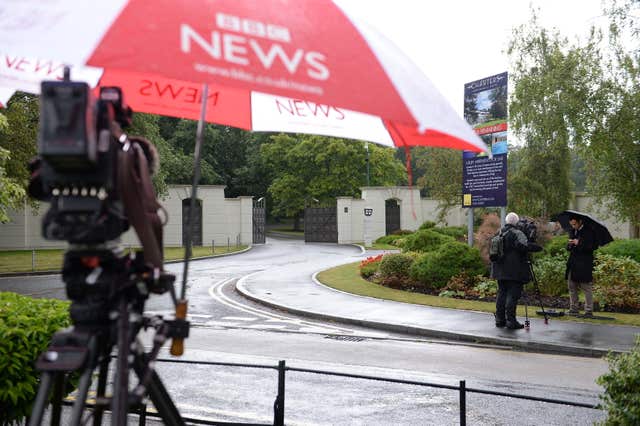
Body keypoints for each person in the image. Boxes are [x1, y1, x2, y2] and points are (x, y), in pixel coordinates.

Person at [491, 212, 542, 329]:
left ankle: (500, 319)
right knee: (512, 295)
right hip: (514, 270)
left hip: (499, 270)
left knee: (502, 294)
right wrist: (537, 247)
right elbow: (524, 247)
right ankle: (511, 321)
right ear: (516, 222)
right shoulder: (518, 233)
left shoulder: (499, 232)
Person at [565, 215, 596, 318]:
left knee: (586, 287)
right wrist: (570, 244)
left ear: (580, 222)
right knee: (571, 286)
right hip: (573, 263)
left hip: (584, 264)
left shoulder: (589, 232)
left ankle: (588, 311)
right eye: (571, 224)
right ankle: (574, 309)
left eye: (574, 224)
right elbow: (569, 248)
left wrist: (579, 242)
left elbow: (591, 247)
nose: (573, 226)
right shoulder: (573, 231)